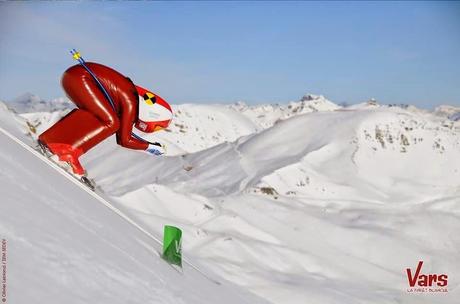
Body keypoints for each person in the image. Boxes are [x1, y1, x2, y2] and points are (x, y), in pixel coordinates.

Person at [38, 62, 171, 176]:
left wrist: (148, 145)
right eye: (158, 126)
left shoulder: (130, 96)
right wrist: (149, 147)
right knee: (111, 122)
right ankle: (66, 152)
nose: (155, 129)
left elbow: (123, 135)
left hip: (75, 76)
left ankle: (52, 140)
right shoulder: (131, 102)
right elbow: (124, 140)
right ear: (154, 114)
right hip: (82, 78)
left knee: (100, 117)